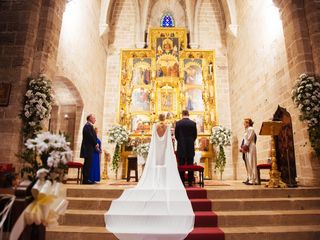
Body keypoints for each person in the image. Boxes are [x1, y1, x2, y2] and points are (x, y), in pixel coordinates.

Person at [105, 114, 194, 240]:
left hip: (156, 148)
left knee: (157, 159)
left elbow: (154, 140)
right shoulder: (168, 126)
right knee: (163, 159)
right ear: (165, 118)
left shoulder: (155, 126)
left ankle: (157, 165)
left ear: (159, 118)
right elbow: (169, 140)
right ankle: (163, 164)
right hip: (165, 149)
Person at [175, 110, 197, 186]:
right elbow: (195, 136)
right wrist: (190, 142)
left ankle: (182, 181)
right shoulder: (193, 124)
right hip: (190, 147)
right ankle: (190, 182)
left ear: (182, 114)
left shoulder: (178, 123)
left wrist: (181, 141)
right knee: (190, 164)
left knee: (181, 164)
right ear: (188, 114)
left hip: (181, 147)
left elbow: (176, 135)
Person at [80, 114, 98, 184]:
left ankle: (86, 179)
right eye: (94, 118)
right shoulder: (87, 126)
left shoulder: (89, 126)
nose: (95, 119)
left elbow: (93, 136)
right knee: (87, 164)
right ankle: (85, 180)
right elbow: (90, 136)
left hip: (89, 148)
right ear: (90, 118)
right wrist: (95, 143)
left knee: (88, 164)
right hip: (87, 148)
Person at [240, 118, 258, 185]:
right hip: (247, 147)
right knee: (248, 163)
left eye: (245, 123)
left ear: (248, 123)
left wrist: (244, 147)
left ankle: (255, 180)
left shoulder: (251, 129)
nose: (244, 124)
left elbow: (249, 139)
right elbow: (245, 140)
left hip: (251, 146)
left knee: (252, 163)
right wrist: (243, 147)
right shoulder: (247, 130)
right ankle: (250, 179)